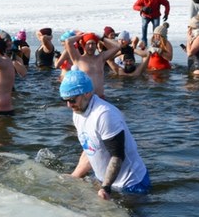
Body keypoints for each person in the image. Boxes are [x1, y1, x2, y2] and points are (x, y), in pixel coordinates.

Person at [61, 69, 151, 200]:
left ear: (86, 93)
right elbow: (90, 148)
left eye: (72, 100)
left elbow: (118, 155)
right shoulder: (78, 113)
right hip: (106, 182)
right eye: (65, 100)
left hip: (132, 185)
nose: (69, 105)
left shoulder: (104, 115)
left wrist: (106, 188)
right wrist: (75, 175)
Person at [65, 32, 120, 97]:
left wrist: (101, 38)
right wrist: (81, 36)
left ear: (96, 45)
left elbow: (118, 46)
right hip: (85, 99)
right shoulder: (78, 59)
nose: (91, 46)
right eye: (88, 44)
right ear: (83, 45)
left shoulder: (101, 58)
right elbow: (68, 41)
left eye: (93, 44)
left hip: (100, 98)